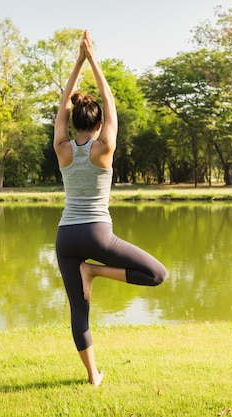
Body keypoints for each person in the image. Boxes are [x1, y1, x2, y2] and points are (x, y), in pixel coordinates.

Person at [54, 30, 167, 388]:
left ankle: (93, 376)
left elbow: (62, 104)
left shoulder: (63, 148)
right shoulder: (105, 147)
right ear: (100, 123)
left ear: (73, 124)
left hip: (66, 236)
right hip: (98, 235)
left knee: (78, 310)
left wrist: (78, 62)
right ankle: (96, 273)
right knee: (157, 274)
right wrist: (93, 59)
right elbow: (110, 99)